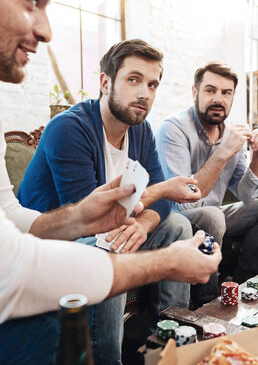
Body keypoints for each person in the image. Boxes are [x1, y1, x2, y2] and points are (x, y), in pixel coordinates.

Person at [0, 0, 221, 363]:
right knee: (35, 314)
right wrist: (169, 261)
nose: (46, 31)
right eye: (31, 1)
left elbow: (8, 215)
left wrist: (77, 216)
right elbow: (0, 275)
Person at [17, 39, 201, 363]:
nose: (145, 93)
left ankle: (169, 349)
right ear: (105, 83)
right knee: (109, 250)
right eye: (134, 80)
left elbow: (162, 205)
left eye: (152, 84)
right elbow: (91, 218)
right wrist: (160, 192)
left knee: (177, 226)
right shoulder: (70, 128)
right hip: (52, 244)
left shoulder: (140, 131)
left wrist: (144, 224)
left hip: (107, 232)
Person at [156, 62, 258, 304]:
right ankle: (209, 299)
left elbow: (247, 196)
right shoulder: (173, 129)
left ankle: (243, 284)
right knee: (211, 215)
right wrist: (223, 151)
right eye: (210, 90)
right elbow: (185, 203)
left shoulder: (230, 131)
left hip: (215, 215)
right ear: (195, 92)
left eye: (226, 93)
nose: (219, 98)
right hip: (178, 219)